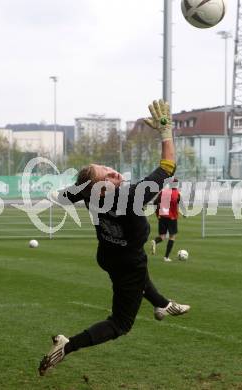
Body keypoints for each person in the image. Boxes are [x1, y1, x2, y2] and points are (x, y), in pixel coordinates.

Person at [39, 99, 190, 376]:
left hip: (108, 255)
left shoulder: (89, 193)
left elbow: (64, 195)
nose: (113, 171)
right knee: (121, 323)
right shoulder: (130, 195)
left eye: (107, 167)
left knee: (139, 276)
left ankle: (163, 305)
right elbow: (168, 166)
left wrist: (60, 193)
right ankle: (67, 345)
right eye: (107, 174)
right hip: (128, 260)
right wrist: (165, 133)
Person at [151, 178, 184, 262]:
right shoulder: (177, 194)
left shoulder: (163, 192)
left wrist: (158, 213)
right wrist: (184, 213)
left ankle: (155, 241)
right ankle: (166, 257)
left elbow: (155, 202)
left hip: (162, 217)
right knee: (172, 237)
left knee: (162, 236)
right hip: (172, 218)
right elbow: (181, 205)